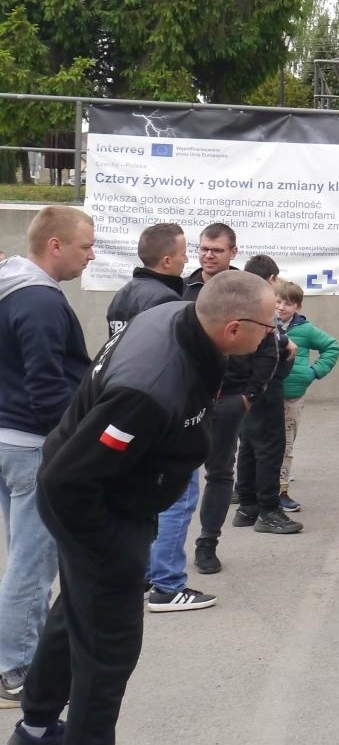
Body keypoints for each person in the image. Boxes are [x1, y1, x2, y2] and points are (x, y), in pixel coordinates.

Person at [1, 272, 276, 745]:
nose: (274, 335)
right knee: (109, 651)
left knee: (73, 612)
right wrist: (110, 552)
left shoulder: (177, 318)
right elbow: (66, 480)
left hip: (116, 497)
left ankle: (35, 727)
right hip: (100, 513)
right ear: (233, 327)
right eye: (269, 326)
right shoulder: (149, 388)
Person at [0, 207, 95, 707]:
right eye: (85, 245)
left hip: (9, 438)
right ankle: (14, 670)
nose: (92, 254)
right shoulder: (38, 300)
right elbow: (45, 383)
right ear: (54, 245)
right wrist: (69, 444)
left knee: (23, 557)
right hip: (32, 445)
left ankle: (17, 656)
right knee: (31, 565)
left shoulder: (12, 286)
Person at [112, 224, 217, 613]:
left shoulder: (124, 295)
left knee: (141, 497)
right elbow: (170, 363)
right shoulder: (165, 302)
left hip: (129, 414)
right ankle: (168, 585)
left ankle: (142, 575)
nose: (191, 258)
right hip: (163, 418)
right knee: (177, 496)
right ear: (168, 259)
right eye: (186, 251)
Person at [185, 225, 281, 573]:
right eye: (204, 249)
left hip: (228, 401)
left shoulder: (249, 291)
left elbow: (270, 349)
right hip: (187, 398)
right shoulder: (186, 289)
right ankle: (161, 551)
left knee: (220, 473)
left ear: (232, 253)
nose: (208, 255)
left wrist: (248, 396)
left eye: (217, 250)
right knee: (172, 473)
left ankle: (207, 544)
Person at [231, 255, 301, 535]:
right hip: (264, 382)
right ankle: (269, 511)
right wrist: (286, 344)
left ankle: (247, 506)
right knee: (271, 447)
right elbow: (272, 339)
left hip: (242, 382)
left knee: (248, 444)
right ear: (271, 280)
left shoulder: (234, 299)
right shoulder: (261, 302)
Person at [274, 279, 339, 511]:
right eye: (278, 301)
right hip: (266, 395)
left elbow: (332, 347)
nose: (281, 307)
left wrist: (313, 372)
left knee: (286, 444)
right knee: (260, 444)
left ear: (298, 307)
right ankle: (252, 487)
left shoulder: (305, 329)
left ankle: (281, 491)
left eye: (288, 303)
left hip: (291, 396)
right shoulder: (264, 325)